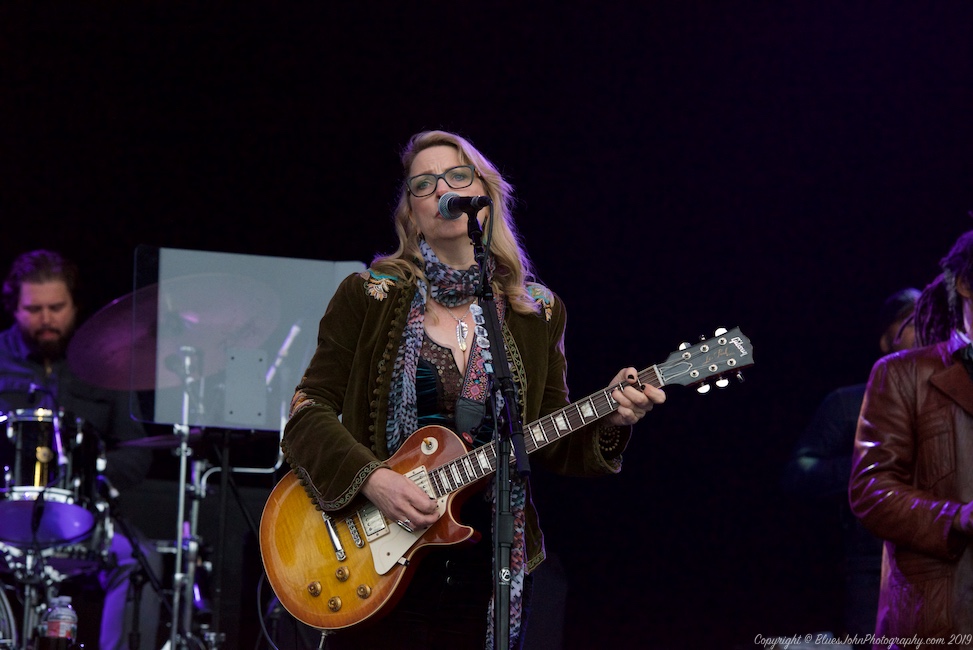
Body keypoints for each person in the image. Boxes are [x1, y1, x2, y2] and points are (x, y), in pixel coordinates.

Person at [278, 130, 665, 650]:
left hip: (487, 568)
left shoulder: (537, 312)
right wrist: (372, 480)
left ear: (486, 195)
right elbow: (306, 410)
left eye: (458, 177)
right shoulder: (369, 294)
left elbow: (545, 437)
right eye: (424, 183)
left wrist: (612, 417)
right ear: (411, 213)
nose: (443, 190)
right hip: (375, 557)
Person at [0, 250, 159, 649]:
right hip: (3, 519)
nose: (47, 318)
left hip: (83, 522)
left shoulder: (109, 362)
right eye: (33, 309)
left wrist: (93, 475)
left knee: (142, 558)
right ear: (13, 307)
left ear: (74, 305)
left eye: (57, 307)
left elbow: (137, 451)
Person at [849, 229, 973, 648]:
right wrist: (957, 517)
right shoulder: (902, 373)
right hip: (941, 618)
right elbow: (870, 491)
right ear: (965, 283)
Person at [782, 287, 919, 646]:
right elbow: (798, 474)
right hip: (872, 569)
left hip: (946, 565)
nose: (928, 330)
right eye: (914, 321)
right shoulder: (848, 403)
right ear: (886, 342)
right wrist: (870, 465)